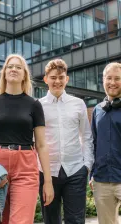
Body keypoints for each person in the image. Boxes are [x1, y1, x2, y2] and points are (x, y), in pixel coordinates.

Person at [0, 54, 54, 224]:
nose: (13, 69)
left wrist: (47, 181)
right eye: (10, 66)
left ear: (24, 74)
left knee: (21, 221)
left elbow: (41, 145)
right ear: (4, 73)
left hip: (26, 166)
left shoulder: (34, 105)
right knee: (0, 220)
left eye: (18, 67)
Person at [39, 59, 94, 224]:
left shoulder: (78, 104)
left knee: (76, 221)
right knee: (51, 220)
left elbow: (86, 136)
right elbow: (34, 140)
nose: (57, 81)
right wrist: (38, 167)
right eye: (53, 77)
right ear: (46, 79)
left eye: (61, 77)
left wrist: (87, 165)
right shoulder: (37, 106)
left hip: (75, 170)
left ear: (67, 79)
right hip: (47, 172)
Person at [90, 62, 121, 224]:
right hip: (102, 179)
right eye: (109, 78)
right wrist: (92, 174)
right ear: (103, 80)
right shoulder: (97, 110)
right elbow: (93, 144)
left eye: (117, 78)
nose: (112, 82)